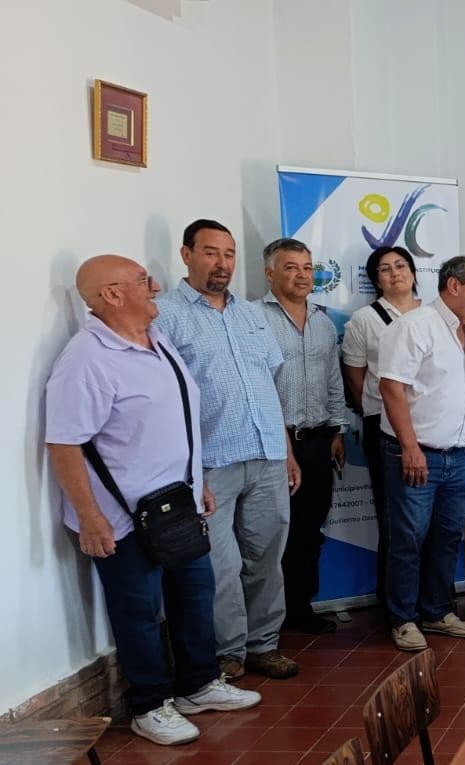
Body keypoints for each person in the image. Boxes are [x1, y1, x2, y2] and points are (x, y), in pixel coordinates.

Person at [46, 255, 261, 746]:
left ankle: (198, 685)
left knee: (194, 595)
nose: (156, 286)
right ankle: (149, 705)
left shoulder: (155, 339)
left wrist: (196, 481)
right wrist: (90, 517)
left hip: (177, 505)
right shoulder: (86, 359)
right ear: (112, 294)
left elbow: (174, 420)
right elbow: (63, 443)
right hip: (122, 517)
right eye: (143, 280)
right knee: (138, 611)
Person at [153, 219, 298, 681]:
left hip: (267, 454)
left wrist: (288, 452)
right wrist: (185, 469)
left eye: (229, 254)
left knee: (266, 558)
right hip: (210, 463)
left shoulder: (251, 314)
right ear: (187, 255)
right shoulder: (165, 315)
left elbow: (271, 384)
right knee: (220, 564)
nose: (222, 263)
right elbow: (162, 397)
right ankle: (227, 652)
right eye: (211, 252)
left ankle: (263, 645)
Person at [376, 255, 465, 651]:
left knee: (447, 537)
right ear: (454, 286)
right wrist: (410, 447)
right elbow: (391, 387)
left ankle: (437, 611)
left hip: (458, 458)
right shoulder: (414, 326)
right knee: (408, 539)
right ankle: (403, 619)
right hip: (415, 452)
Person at [256, 238, 348, 635]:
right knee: (273, 533)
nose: (302, 275)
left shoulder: (323, 323)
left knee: (310, 530)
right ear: (270, 273)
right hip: (275, 443)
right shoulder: (254, 319)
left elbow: (333, 380)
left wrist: (337, 430)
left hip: (318, 441)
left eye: (307, 267)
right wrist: (283, 449)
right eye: (291, 267)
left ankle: (300, 608)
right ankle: (267, 619)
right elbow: (258, 386)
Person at [340, 246, 422, 601]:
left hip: (431, 426)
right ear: (376, 280)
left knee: (432, 518)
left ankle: (432, 600)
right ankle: (396, 605)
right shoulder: (365, 319)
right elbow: (355, 378)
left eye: (401, 265)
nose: (395, 273)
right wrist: (377, 411)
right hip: (384, 426)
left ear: (414, 272)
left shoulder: (434, 314)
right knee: (395, 517)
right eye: (385, 269)